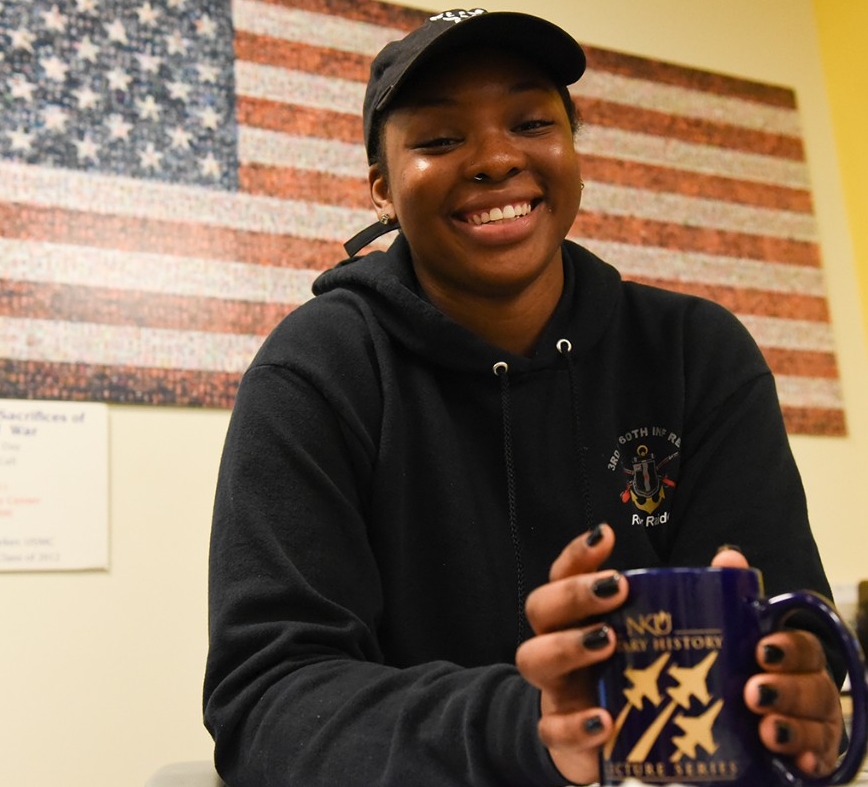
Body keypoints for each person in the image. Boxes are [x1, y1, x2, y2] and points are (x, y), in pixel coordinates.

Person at [203, 9, 847, 786]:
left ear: (572, 147)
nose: (496, 158)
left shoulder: (697, 353)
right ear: (380, 187)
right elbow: (268, 702)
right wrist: (533, 724)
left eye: (532, 121)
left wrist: (803, 703)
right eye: (441, 139)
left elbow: (787, 639)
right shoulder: (316, 370)